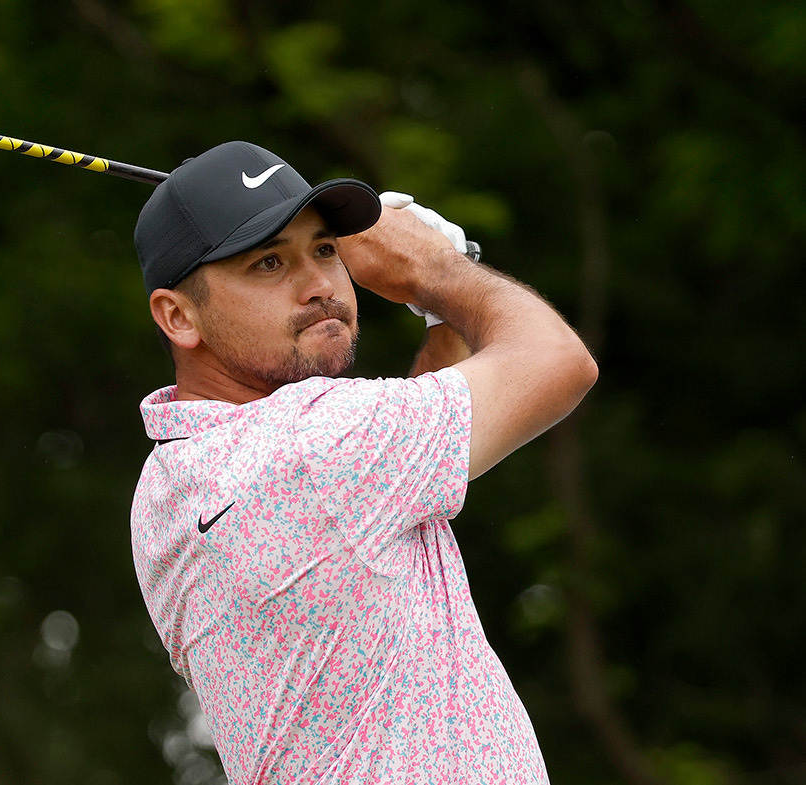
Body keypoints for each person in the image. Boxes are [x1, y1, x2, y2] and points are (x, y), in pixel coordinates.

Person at [129, 141, 597, 784]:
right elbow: (558, 362)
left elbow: (396, 490)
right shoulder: (312, 444)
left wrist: (442, 314)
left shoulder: (168, 485)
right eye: (269, 263)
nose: (319, 285)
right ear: (178, 316)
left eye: (325, 250)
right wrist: (435, 269)